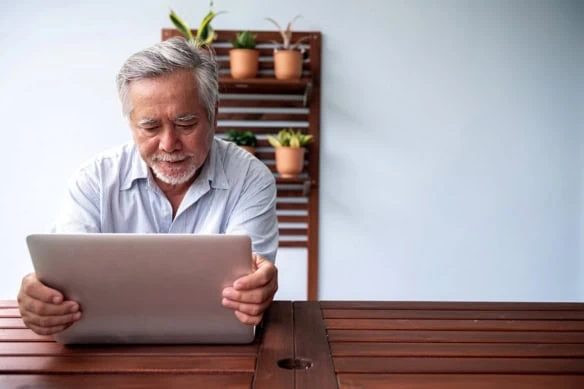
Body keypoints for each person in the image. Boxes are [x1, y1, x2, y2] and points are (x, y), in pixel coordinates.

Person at [17, 37, 279, 336]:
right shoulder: (94, 181)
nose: (169, 144)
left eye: (185, 123)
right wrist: (41, 300)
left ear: (213, 115)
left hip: (217, 352)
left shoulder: (250, 179)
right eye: (150, 127)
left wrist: (257, 289)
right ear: (130, 123)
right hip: (105, 351)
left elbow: (251, 285)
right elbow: (62, 283)